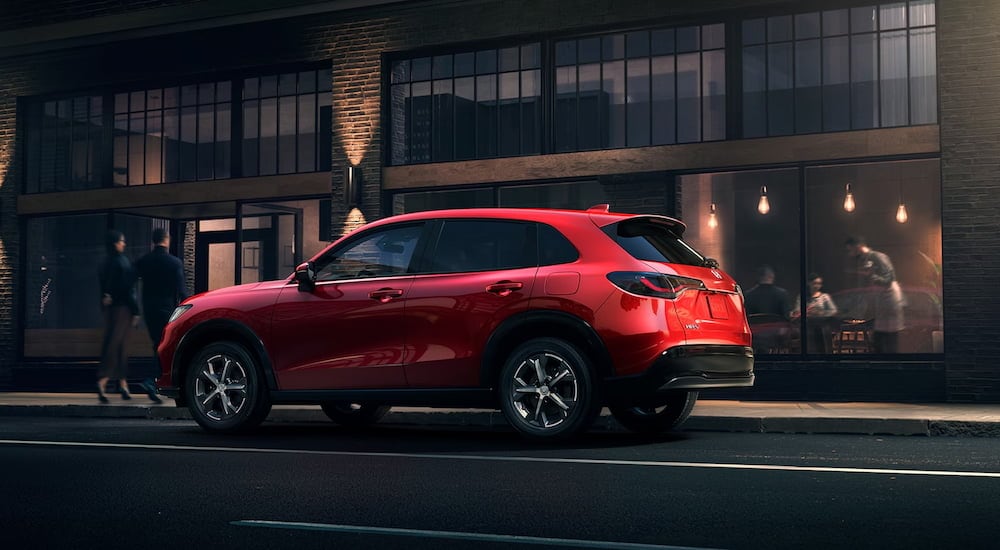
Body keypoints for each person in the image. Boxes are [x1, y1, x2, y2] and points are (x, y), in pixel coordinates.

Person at [135, 227, 188, 403]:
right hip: (167, 310)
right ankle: (152, 380)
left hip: (148, 309)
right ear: (167, 240)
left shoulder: (144, 261)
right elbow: (182, 291)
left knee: (158, 344)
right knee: (163, 345)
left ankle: (156, 380)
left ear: (153, 241)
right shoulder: (174, 263)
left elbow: (130, 282)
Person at [97, 230, 140, 403]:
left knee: (116, 344)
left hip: (110, 310)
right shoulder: (123, 262)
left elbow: (104, 288)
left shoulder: (104, 263)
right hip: (124, 309)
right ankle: (103, 380)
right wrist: (136, 311)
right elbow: (128, 289)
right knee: (118, 345)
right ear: (115, 243)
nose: (124, 244)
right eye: (122, 241)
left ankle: (123, 384)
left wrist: (106, 297)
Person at [845, 236, 905, 353]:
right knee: (880, 339)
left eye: (850, 250)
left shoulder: (877, 256)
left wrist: (872, 276)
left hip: (889, 300)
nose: (850, 254)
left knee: (887, 340)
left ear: (858, 246)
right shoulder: (866, 260)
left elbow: (889, 279)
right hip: (882, 302)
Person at [744, 265, 792, 354]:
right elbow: (786, 318)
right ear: (772, 276)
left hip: (755, 337)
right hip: (777, 336)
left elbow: (745, 318)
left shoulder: (748, 295)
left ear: (758, 277)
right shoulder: (782, 294)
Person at [790, 273, 838, 353]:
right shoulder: (802, 296)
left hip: (822, 326)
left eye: (819, 283)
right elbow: (797, 310)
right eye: (814, 283)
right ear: (809, 283)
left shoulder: (824, 297)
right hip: (807, 326)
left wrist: (821, 313)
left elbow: (833, 310)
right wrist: (807, 312)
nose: (817, 286)